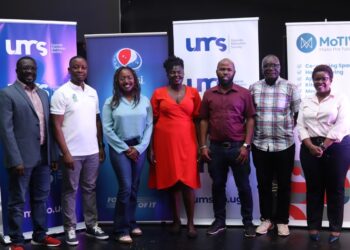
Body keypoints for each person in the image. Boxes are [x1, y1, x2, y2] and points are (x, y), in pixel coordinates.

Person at [0, 56, 61, 250]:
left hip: (43, 156)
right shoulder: (7, 94)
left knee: (40, 198)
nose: (29, 72)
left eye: (32, 68)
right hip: (21, 159)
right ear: (17, 70)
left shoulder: (43, 94)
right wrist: (15, 159)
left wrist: (52, 156)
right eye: (25, 68)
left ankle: (40, 235)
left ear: (36, 71)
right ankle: (16, 241)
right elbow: (6, 130)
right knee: (17, 200)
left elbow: (49, 128)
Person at [50, 56, 109, 245]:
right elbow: (56, 126)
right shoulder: (61, 93)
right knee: (70, 190)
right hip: (72, 153)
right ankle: (70, 228)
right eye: (76, 67)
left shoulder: (92, 92)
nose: (80, 70)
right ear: (69, 70)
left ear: (87, 70)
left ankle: (91, 225)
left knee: (90, 189)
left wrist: (100, 146)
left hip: (91, 151)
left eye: (83, 67)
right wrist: (65, 152)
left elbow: (97, 120)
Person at [199, 58, 256, 237]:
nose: (225, 72)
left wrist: (246, 145)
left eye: (229, 69)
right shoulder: (208, 94)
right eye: (222, 69)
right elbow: (204, 120)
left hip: (238, 147)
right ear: (216, 72)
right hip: (215, 148)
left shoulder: (244, 93)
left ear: (234, 72)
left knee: (244, 187)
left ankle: (248, 222)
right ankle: (219, 221)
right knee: (217, 185)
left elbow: (251, 119)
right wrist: (202, 146)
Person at [148, 56, 201, 238]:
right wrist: (151, 148)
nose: (176, 74)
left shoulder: (193, 92)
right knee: (172, 183)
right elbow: (152, 122)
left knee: (188, 183)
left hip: (188, 142)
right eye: (172, 71)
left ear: (183, 72)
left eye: (179, 71)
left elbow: (198, 119)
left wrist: (202, 145)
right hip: (165, 143)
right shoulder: (158, 93)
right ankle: (176, 221)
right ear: (167, 74)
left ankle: (191, 224)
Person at [297, 65, 350, 243]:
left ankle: (335, 229)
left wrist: (324, 145)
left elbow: (342, 125)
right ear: (312, 80)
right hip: (309, 147)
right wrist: (310, 146)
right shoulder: (306, 101)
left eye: (324, 78)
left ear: (331, 80)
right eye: (317, 78)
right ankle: (313, 227)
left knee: (335, 189)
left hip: (336, 147)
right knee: (314, 189)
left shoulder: (341, 98)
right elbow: (300, 126)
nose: (320, 82)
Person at [249, 54, 301, 236]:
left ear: (280, 67)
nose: (271, 68)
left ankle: (282, 221)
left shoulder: (290, 87)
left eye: (275, 65)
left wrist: (284, 130)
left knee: (284, 184)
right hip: (260, 144)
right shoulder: (254, 88)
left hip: (284, 144)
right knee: (263, 184)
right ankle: (266, 220)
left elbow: (296, 115)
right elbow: (250, 116)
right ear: (262, 68)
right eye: (267, 65)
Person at [102, 66, 153, 243]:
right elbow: (107, 129)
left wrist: (139, 148)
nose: (126, 81)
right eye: (122, 78)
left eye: (129, 78)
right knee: (125, 187)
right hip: (120, 149)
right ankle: (120, 229)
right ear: (117, 81)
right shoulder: (111, 102)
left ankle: (131, 223)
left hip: (138, 148)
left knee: (134, 188)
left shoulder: (144, 101)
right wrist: (126, 149)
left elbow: (149, 126)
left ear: (135, 79)